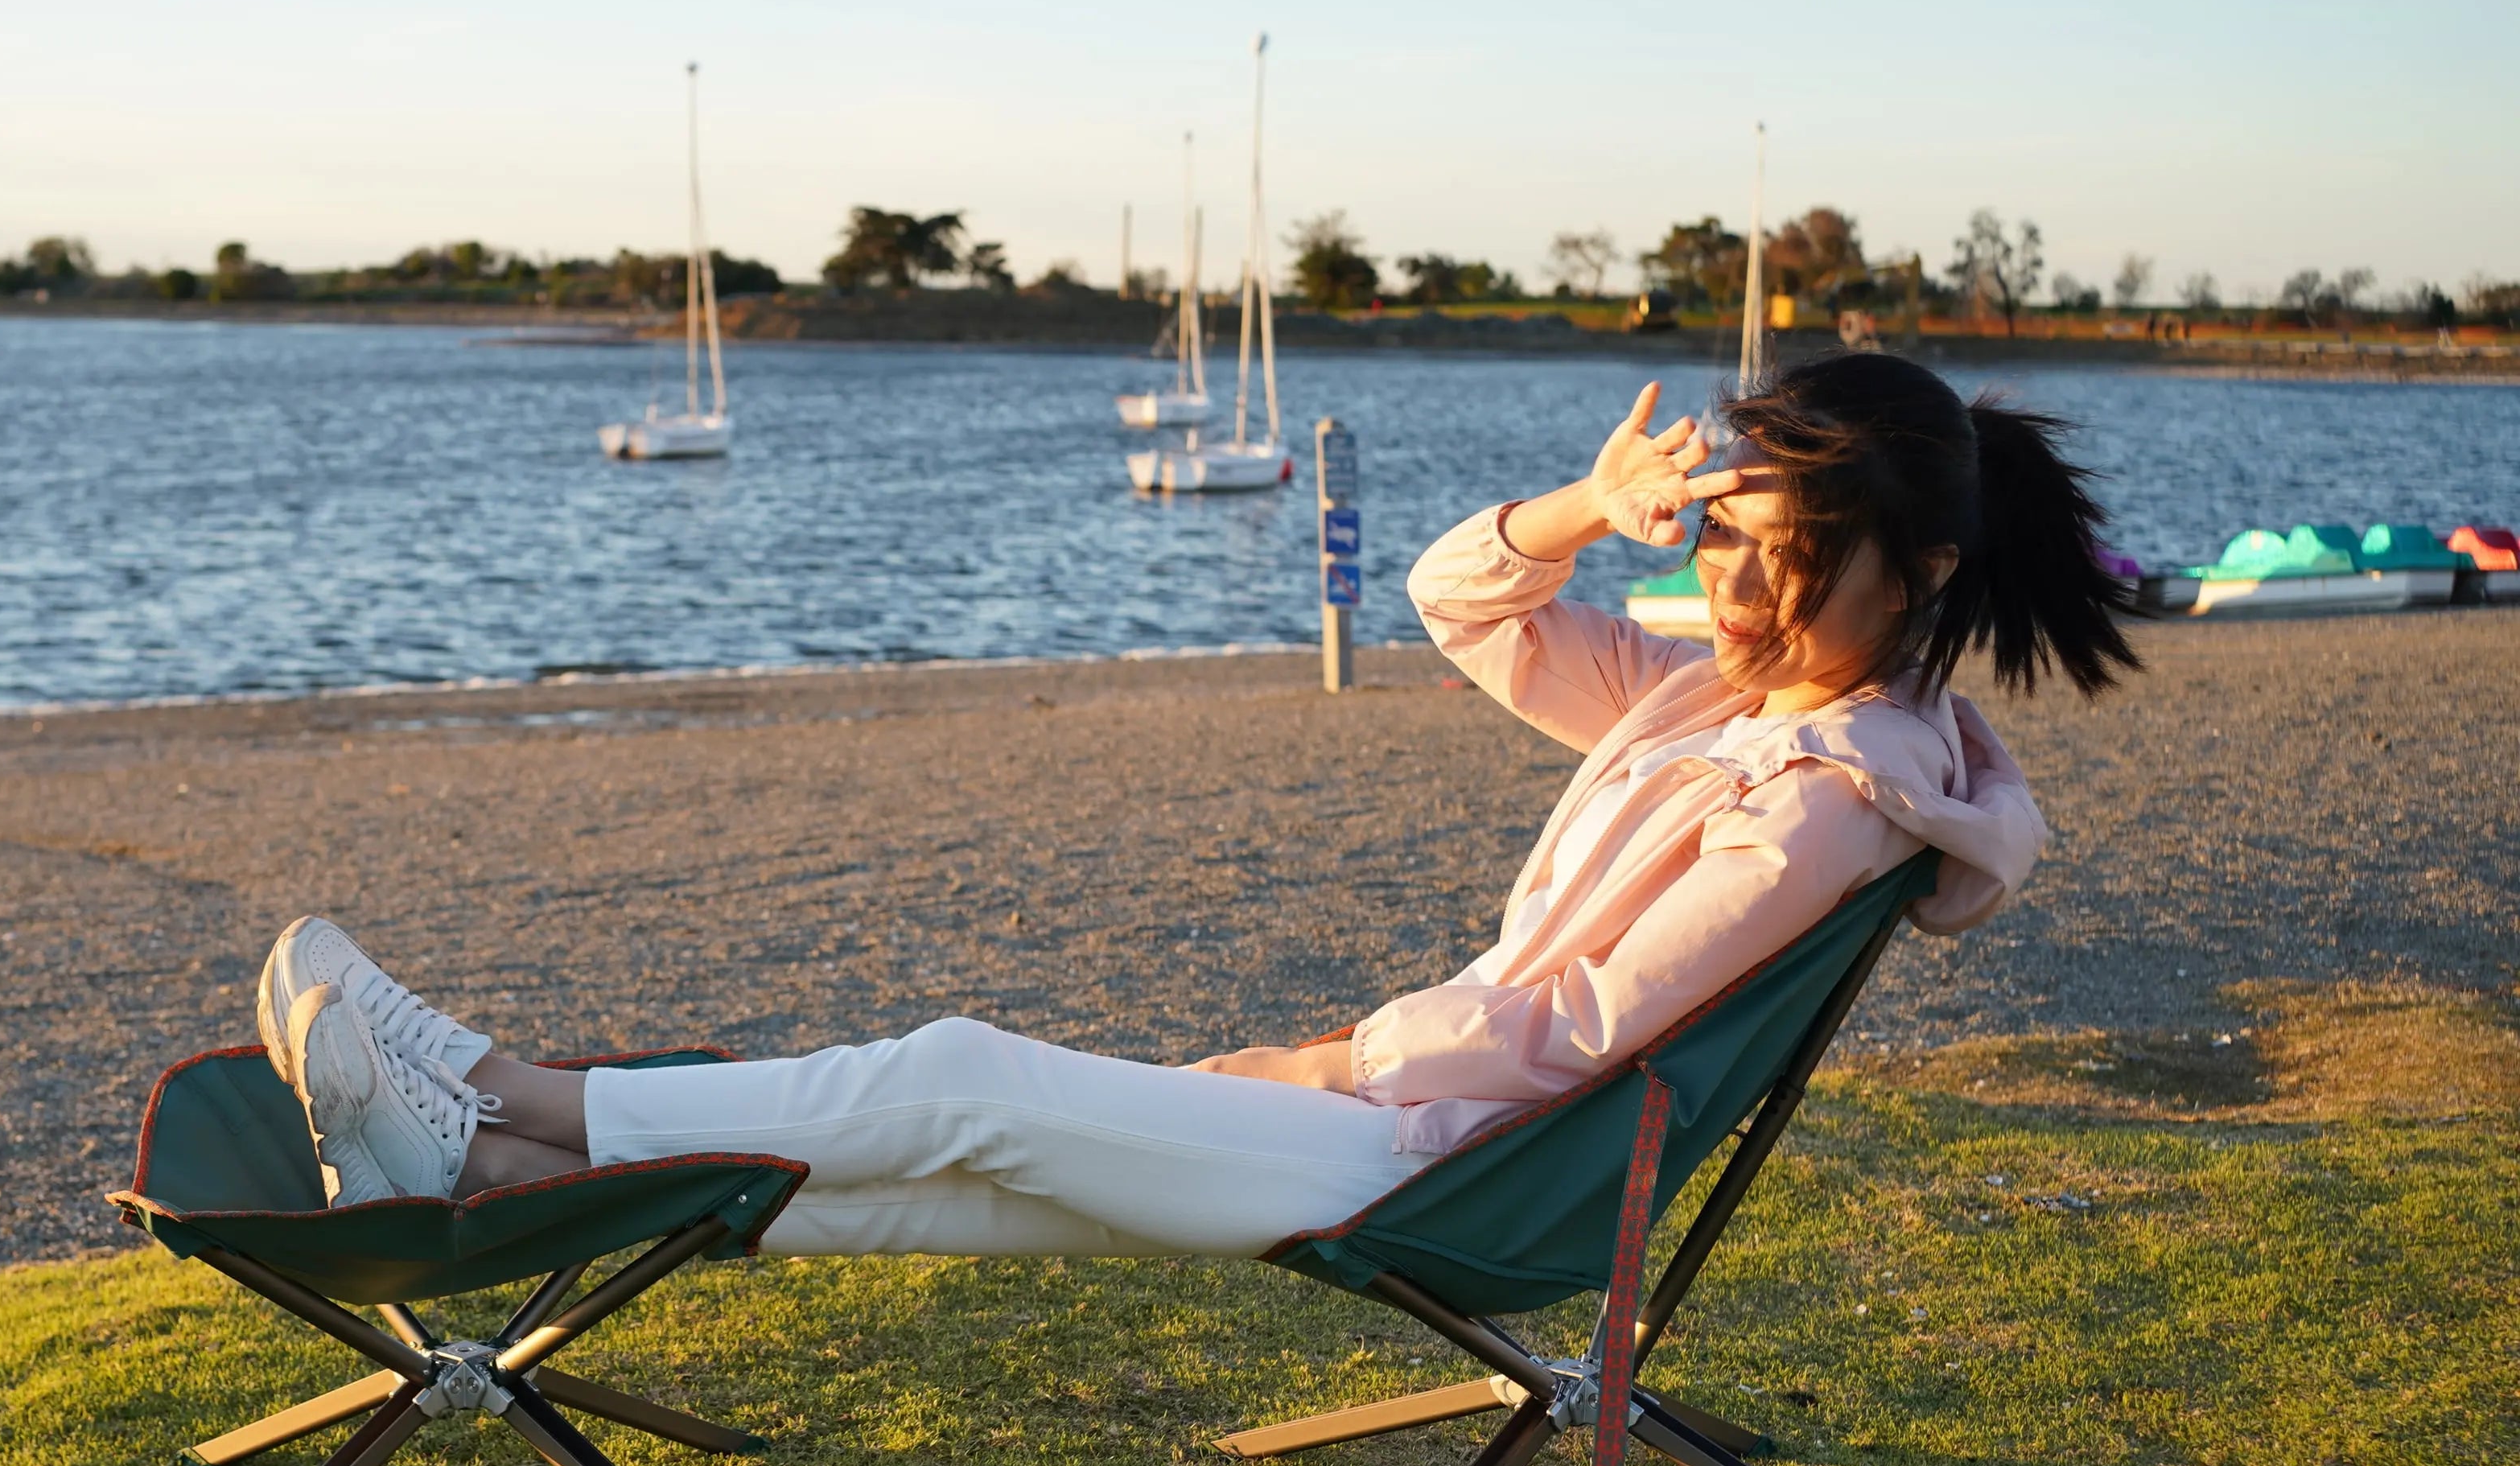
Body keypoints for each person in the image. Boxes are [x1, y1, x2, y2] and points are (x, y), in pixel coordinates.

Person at [250, 352, 2139, 1259]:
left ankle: (506, 1092)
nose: (1745, 591)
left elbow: (1576, 1027)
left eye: (1795, 559)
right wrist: (1587, 511)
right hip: (1430, 1127)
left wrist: (1318, 1062)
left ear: (1924, 570)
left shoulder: (1825, 794)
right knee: (965, 1179)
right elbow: (1452, 603)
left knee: (969, 1075)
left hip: (1452, 1165)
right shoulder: (1717, 698)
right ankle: (486, 1188)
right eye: (1729, 543)